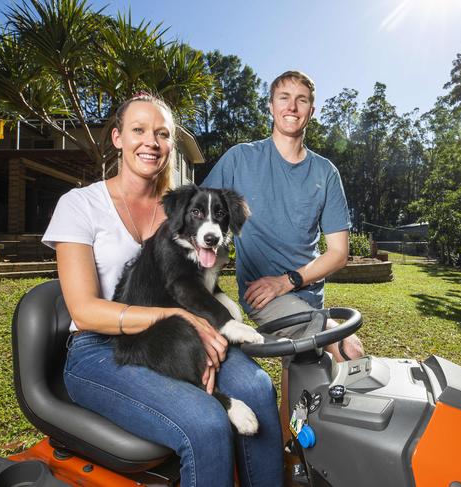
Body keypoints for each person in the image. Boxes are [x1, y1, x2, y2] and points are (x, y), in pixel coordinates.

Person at [42, 93, 283, 487]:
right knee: (206, 424)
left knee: (257, 386)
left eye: (162, 133)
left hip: (181, 333)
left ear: (171, 144)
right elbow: (84, 311)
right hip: (101, 349)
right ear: (118, 137)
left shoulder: (182, 207)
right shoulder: (80, 204)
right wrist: (180, 319)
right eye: (138, 130)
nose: (151, 142)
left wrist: (200, 324)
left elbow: (195, 285)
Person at [203, 71, 364, 442]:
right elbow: (199, 208)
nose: (292, 106)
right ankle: (307, 443)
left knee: (299, 389)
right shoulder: (240, 159)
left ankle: (290, 449)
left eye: (301, 99)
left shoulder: (325, 172)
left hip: (306, 296)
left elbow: (338, 253)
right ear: (271, 106)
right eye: (284, 97)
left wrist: (289, 280)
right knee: (340, 351)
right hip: (261, 295)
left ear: (311, 109)